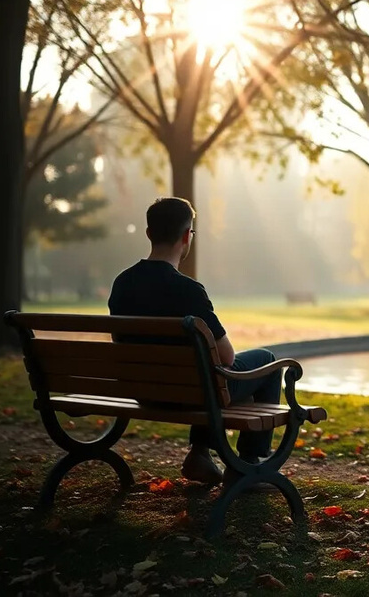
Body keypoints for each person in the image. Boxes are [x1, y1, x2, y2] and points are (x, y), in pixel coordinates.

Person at [108, 197, 281, 487]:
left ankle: (201, 453)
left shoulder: (122, 283)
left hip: (144, 390)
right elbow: (226, 358)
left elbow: (120, 343)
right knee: (267, 362)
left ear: (149, 233)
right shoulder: (188, 290)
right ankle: (247, 463)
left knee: (205, 376)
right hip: (191, 393)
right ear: (187, 235)